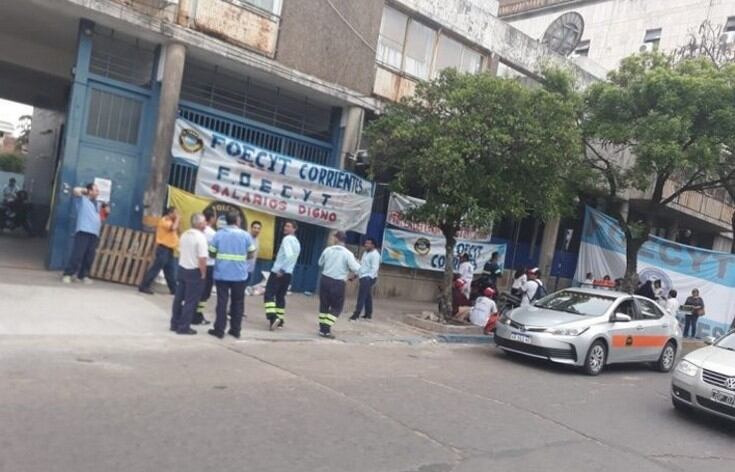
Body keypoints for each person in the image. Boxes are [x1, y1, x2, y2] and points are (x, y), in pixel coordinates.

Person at [207, 211, 256, 339]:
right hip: (239, 275)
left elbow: (211, 253)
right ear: (237, 221)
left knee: (221, 303)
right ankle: (235, 330)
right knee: (238, 303)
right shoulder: (245, 235)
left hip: (222, 273)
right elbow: (251, 254)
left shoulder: (219, 235)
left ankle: (219, 330)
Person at [317, 231, 360, 339]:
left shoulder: (327, 250)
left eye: (334, 238)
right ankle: (326, 328)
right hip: (338, 283)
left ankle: (322, 328)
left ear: (336, 239)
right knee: (337, 307)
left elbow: (320, 263)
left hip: (325, 280)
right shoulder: (348, 254)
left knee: (324, 305)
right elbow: (357, 269)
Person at [170, 214, 208, 335]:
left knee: (179, 298)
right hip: (194, 271)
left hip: (182, 268)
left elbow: (180, 250)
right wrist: (203, 274)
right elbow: (202, 259)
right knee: (191, 301)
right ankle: (184, 326)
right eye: (204, 222)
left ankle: (174, 323)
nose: (205, 224)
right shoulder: (201, 238)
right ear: (199, 224)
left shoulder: (185, 234)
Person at [62, 183, 103, 284]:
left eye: (98, 190)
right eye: (95, 190)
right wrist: (86, 191)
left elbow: (100, 216)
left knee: (89, 256)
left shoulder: (98, 204)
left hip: (94, 233)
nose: (98, 192)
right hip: (83, 231)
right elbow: (76, 190)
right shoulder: (82, 200)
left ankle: (83, 275)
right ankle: (68, 274)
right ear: (89, 191)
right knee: (78, 254)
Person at [264, 220, 301, 330]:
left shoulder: (287, 239)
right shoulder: (297, 242)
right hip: (288, 274)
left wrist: (282, 270)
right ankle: (280, 320)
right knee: (280, 296)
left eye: (288, 226)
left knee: (269, 295)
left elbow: (289, 256)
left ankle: (273, 317)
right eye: (285, 226)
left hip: (279, 272)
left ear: (294, 229)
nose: (286, 228)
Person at [139, 207, 180, 295]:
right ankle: (144, 285)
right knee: (156, 268)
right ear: (170, 213)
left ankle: (174, 290)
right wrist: (178, 219)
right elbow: (173, 228)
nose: (177, 215)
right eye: (175, 213)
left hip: (170, 249)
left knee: (170, 271)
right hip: (163, 248)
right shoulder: (164, 220)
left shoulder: (171, 221)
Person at [193, 209, 217, 325]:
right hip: (209, 265)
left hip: (196, 263)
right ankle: (197, 315)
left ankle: (195, 313)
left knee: (196, 290)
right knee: (205, 293)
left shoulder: (196, 231)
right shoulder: (212, 233)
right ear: (212, 218)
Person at [350, 237, 381, 321]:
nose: (366, 245)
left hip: (368, 278)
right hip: (362, 276)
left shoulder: (375, 255)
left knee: (362, 296)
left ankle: (356, 315)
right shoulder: (365, 253)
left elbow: (374, 268)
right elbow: (362, 265)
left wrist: (368, 278)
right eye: (366, 243)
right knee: (367, 296)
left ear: (373, 245)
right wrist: (355, 275)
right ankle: (368, 314)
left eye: (368, 243)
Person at [245, 220, 263, 293]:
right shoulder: (246, 238)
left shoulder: (257, 241)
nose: (256, 230)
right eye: (255, 228)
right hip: (242, 270)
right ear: (251, 228)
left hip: (250, 270)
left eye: (258, 228)